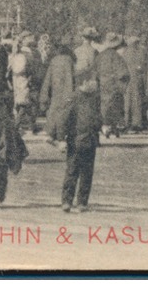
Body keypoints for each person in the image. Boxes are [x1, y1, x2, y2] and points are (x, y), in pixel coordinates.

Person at [60, 74, 101, 212]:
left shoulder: (94, 98)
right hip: (75, 140)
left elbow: (97, 116)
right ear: (85, 82)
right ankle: (67, 201)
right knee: (72, 171)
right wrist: (61, 139)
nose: (95, 83)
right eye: (93, 80)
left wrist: (102, 126)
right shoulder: (73, 98)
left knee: (87, 173)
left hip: (90, 139)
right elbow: (63, 120)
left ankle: (82, 202)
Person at [39, 40, 77, 143]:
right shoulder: (68, 60)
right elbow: (70, 77)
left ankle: (51, 133)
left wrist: (44, 95)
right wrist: (70, 93)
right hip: (66, 90)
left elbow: (48, 79)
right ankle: (61, 137)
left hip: (56, 90)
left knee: (54, 111)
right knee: (64, 114)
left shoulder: (54, 60)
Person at [95, 33, 129, 138]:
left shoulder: (100, 56)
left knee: (103, 106)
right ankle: (113, 127)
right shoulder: (117, 56)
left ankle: (105, 126)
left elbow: (95, 71)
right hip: (113, 85)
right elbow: (123, 73)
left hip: (102, 84)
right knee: (115, 106)